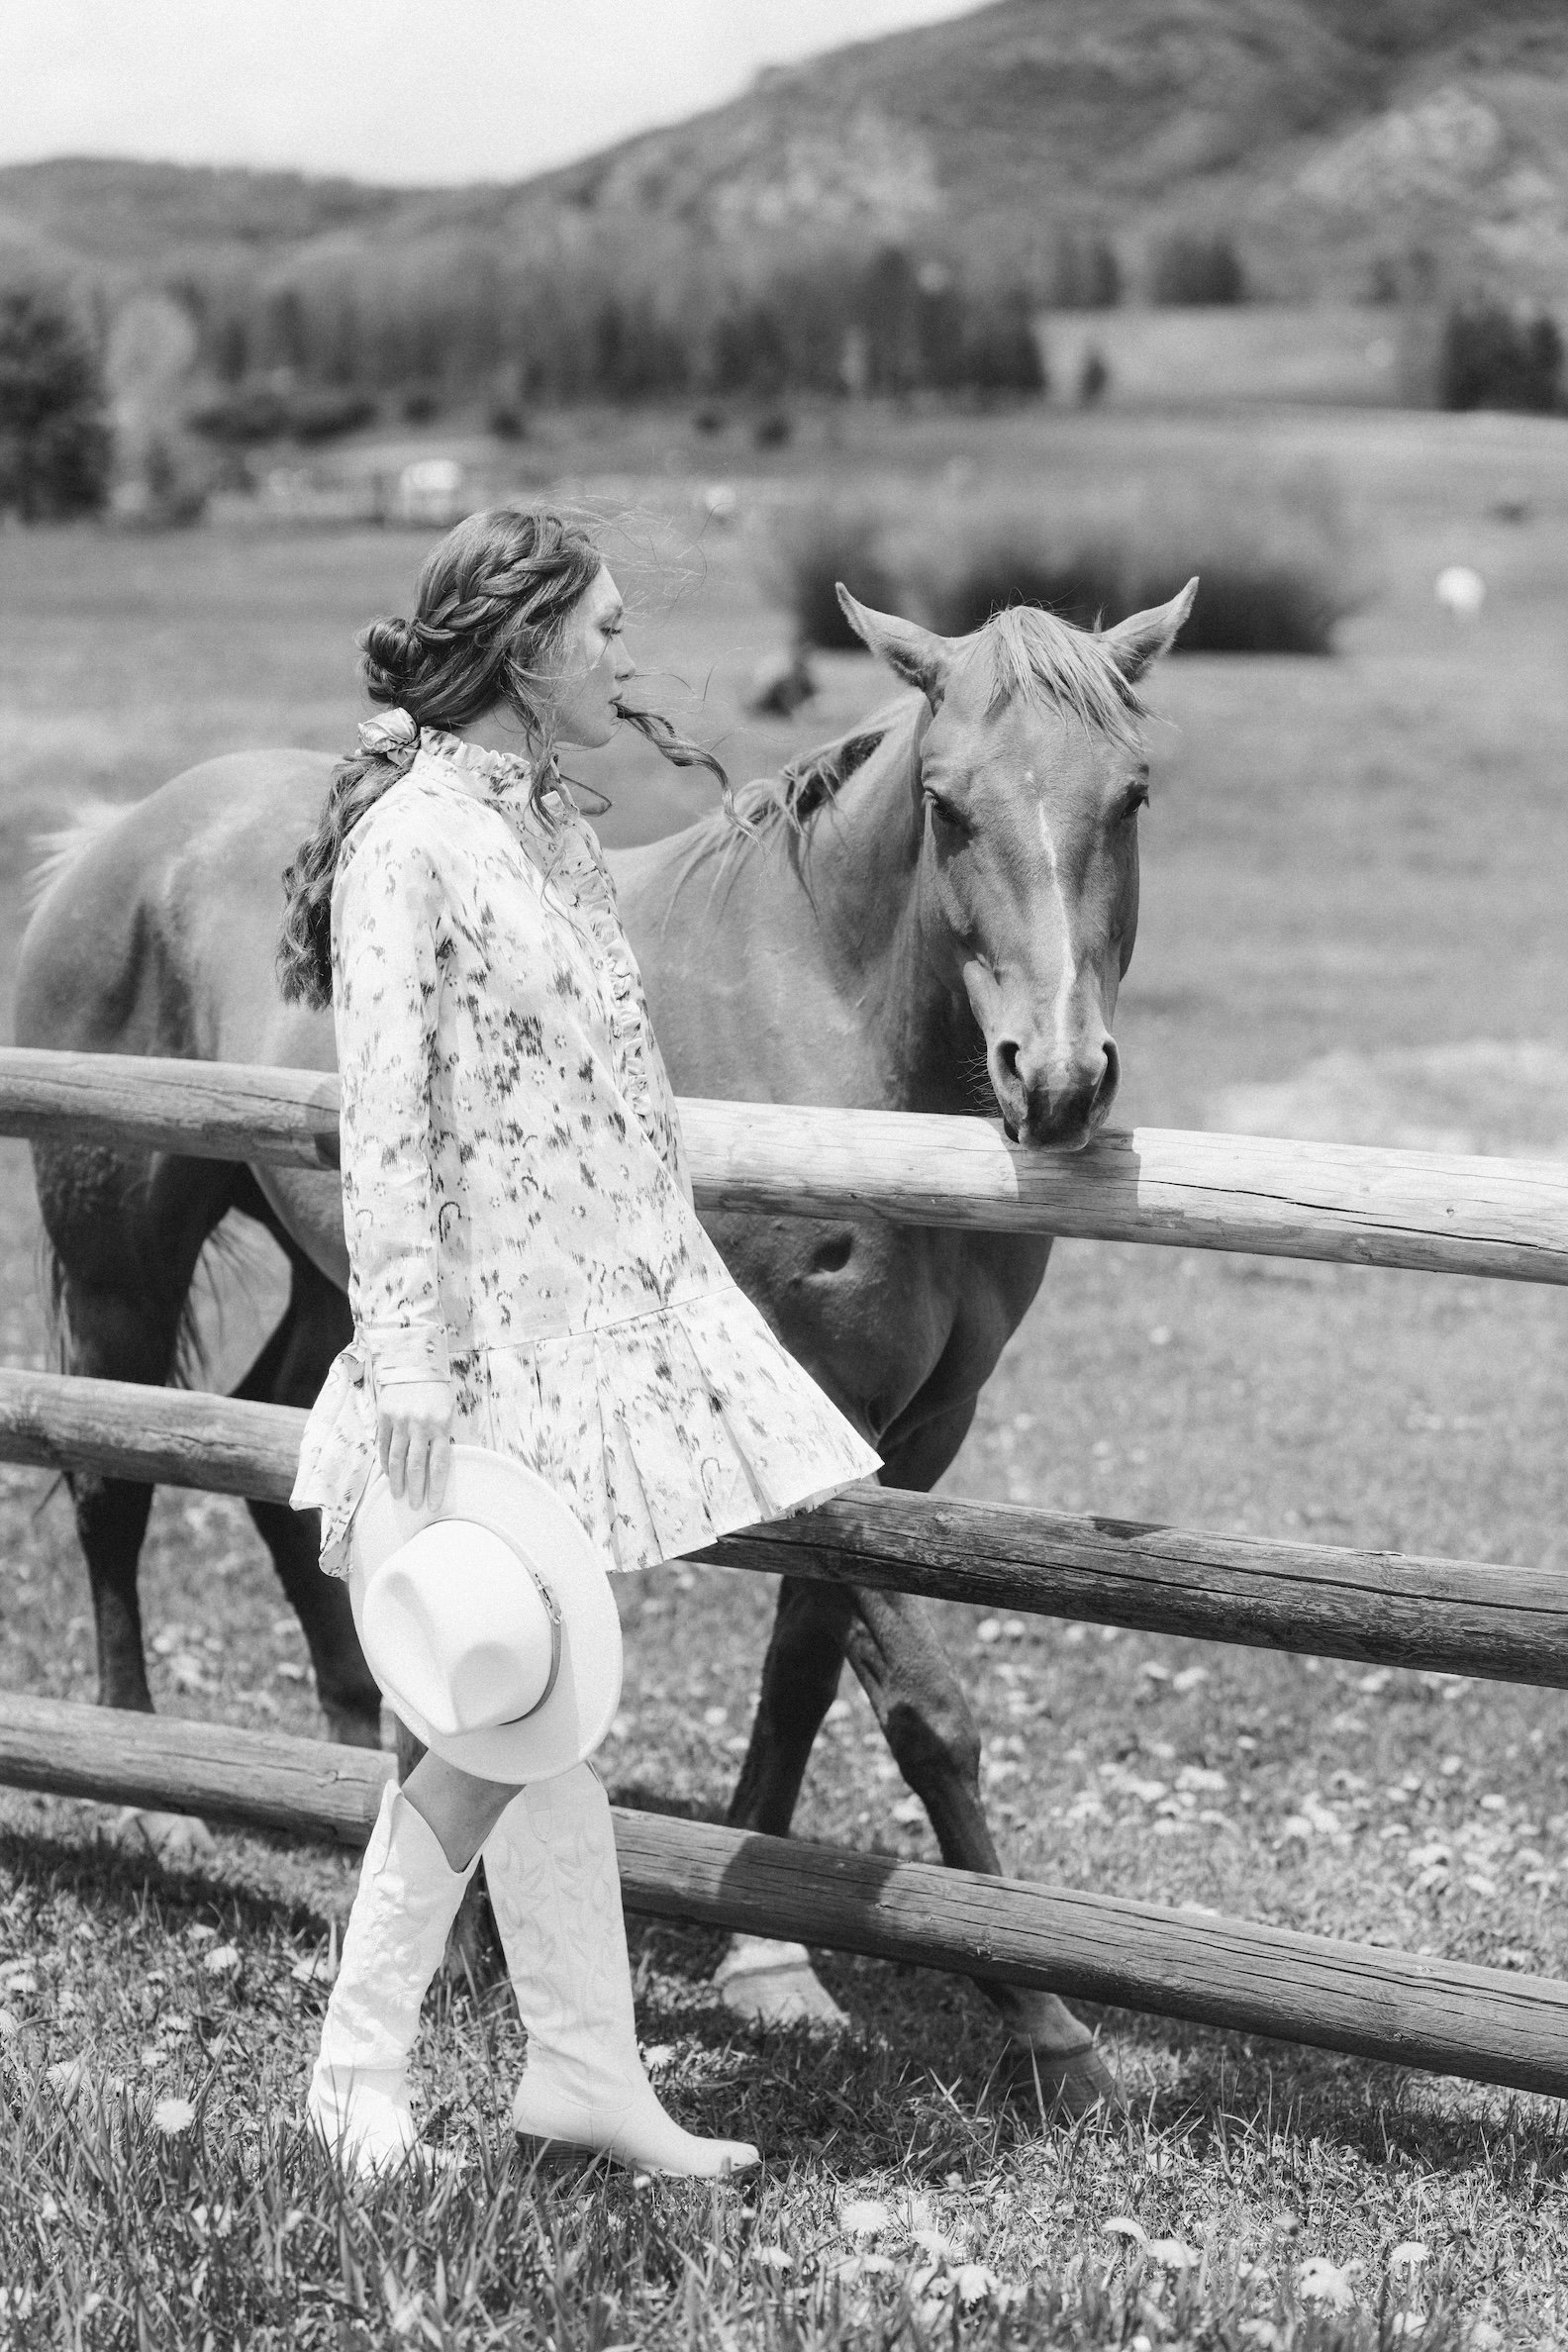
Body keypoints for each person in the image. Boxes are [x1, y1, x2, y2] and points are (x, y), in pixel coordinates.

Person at [277, 507, 880, 2177]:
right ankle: (356, 2067)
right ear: (527, 652)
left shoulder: (540, 824)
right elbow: (382, 1117)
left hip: (596, 1334)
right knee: (498, 1722)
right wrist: (403, 1362)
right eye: (603, 629)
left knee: (547, 1728)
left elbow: (608, 1103)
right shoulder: (412, 841)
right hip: (471, 1369)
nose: (626, 655)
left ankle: (585, 2073)